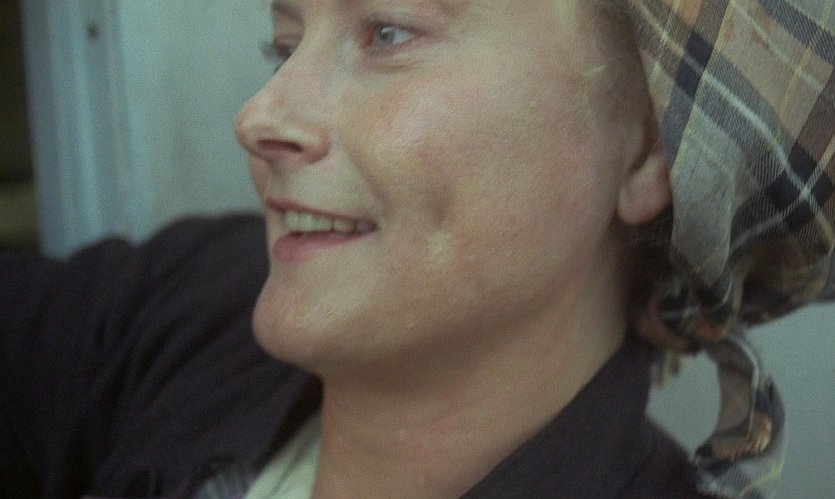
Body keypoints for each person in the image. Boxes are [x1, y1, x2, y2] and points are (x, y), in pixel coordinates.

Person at [1, 1, 832, 498]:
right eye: (283, 45)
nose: (258, 116)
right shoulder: (194, 301)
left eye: (388, 32)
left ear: (648, 147)